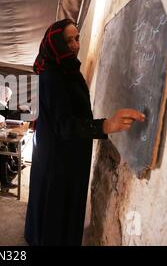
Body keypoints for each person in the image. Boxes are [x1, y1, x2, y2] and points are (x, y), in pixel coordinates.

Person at [25, 19, 145, 246]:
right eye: (67, 40)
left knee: (59, 207)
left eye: (77, 38)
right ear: (54, 44)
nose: (75, 45)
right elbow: (64, 125)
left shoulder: (66, 69)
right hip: (59, 159)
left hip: (67, 153)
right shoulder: (53, 76)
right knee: (57, 210)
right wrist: (106, 125)